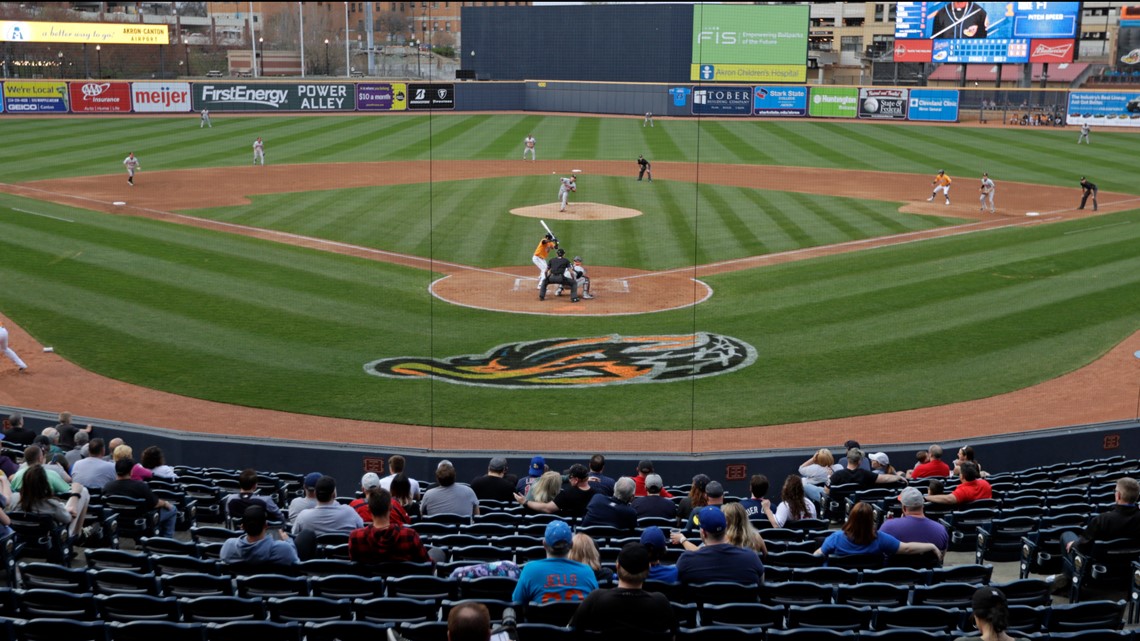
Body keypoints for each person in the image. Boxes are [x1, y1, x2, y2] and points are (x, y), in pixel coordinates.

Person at [1048, 477, 1140, 590]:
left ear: (1119, 496)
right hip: (1129, 566)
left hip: (1098, 567)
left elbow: (1082, 546)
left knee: (1066, 535)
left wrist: (1074, 544)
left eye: (1115, 491)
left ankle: (1069, 580)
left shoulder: (1103, 520)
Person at [569, 542, 678, 635]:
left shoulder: (594, 599)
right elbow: (674, 635)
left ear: (617, 566)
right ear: (648, 569)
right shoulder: (661, 603)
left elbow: (571, 629)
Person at [814, 502, 942, 561]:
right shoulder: (880, 539)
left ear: (851, 518)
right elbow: (907, 548)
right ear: (871, 520)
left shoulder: (835, 538)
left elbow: (817, 555)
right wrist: (930, 545)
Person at [512, 520, 599, 604]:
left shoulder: (530, 570)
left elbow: (517, 603)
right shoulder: (587, 572)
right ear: (572, 545)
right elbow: (595, 606)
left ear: (544, 544)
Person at [675, 507, 765, 586]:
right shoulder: (751, 557)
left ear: (703, 533)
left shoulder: (686, 560)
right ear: (726, 529)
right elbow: (761, 585)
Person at [348, 488, 431, 564]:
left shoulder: (355, 537)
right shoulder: (410, 535)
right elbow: (426, 565)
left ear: (368, 509)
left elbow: (354, 564)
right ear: (391, 507)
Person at [291, 475, 364, 560]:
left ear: (315, 493)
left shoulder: (303, 516)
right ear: (334, 493)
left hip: (315, 567)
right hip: (346, 565)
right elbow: (361, 531)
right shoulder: (350, 512)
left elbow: (294, 536)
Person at [103, 457, 178, 538]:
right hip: (140, 521)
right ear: (131, 471)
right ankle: (167, 540)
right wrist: (165, 503)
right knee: (173, 509)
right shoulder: (140, 486)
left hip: (117, 521)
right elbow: (155, 503)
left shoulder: (107, 486)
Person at [220, 504, 298, 567]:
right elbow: (296, 562)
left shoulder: (229, 546)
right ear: (266, 525)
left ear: (242, 527)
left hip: (243, 586)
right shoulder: (284, 548)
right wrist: (289, 541)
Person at [879, 487, 949, 552]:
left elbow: (879, 553)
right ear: (923, 506)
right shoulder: (941, 530)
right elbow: (940, 559)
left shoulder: (888, 526)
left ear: (904, 508)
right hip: (928, 565)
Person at [518, 463, 595, 518]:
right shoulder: (597, 494)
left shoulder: (565, 495)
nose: (569, 479)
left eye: (570, 477)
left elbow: (547, 508)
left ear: (576, 480)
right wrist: (584, 479)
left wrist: (526, 502)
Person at [927, 461, 991, 506]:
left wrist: (926, 498)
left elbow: (948, 499)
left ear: (962, 476)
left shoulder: (963, 491)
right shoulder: (986, 484)